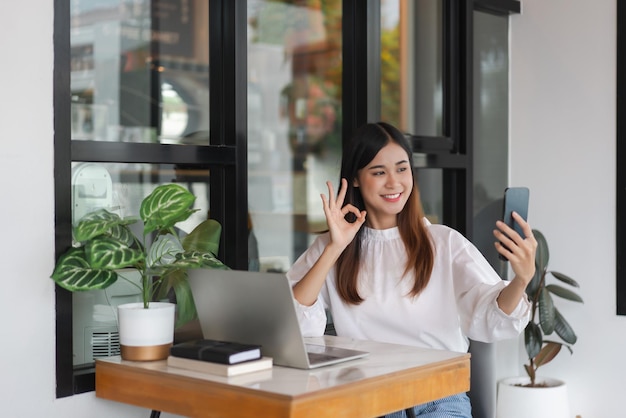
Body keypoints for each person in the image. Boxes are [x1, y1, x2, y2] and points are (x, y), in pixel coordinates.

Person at [286, 122, 537, 417]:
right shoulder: (333, 248)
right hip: (366, 400)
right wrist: (334, 248)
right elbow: (295, 324)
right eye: (379, 172)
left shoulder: (444, 243)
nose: (394, 182)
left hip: (438, 399)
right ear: (355, 178)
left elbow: (490, 318)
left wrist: (521, 280)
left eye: (402, 169)